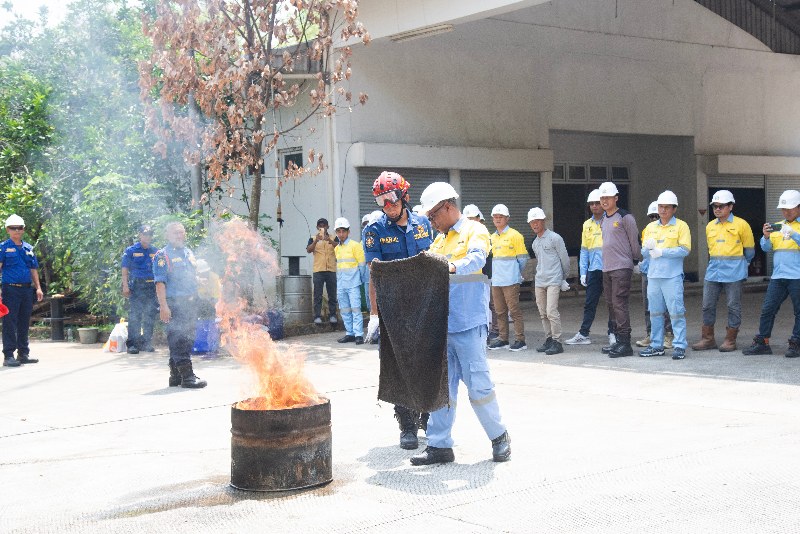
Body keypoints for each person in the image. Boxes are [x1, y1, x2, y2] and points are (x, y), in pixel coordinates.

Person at [410, 182, 510, 465]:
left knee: (478, 386)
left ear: (448, 207)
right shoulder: (439, 240)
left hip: (468, 323)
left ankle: (499, 436)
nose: (431, 222)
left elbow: (477, 257)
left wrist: (452, 266)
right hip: (443, 326)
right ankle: (440, 445)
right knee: (442, 388)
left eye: (433, 216)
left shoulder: (474, 230)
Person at [363, 171, 433, 450]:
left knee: (428, 362)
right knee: (398, 367)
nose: (387, 205)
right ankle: (406, 424)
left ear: (404, 196)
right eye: (381, 201)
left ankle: (427, 416)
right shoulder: (374, 230)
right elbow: (374, 275)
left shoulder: (423, 224)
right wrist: (374, 315)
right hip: (394, 309)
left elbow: (432, 263)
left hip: (425, 304)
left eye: (391, 198)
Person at [692, 190, 755, 352]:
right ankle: (708, 339)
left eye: (721, 206)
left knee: (733, 306)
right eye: (715, 206)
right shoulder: (710, 226)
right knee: (707, 305)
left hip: (734, 273)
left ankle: (730, 340)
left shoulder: (742, 225)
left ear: (731, 206)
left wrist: (741, 265)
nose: (717, 209)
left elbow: (749, 251)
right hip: (713, 271)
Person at [742, 190, 800, 358]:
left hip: (797, 277)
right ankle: (763, 342)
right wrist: (766, 237)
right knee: (768, 309)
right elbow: (766, 248)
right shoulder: (779, 226)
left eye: (790, 208)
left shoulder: (791, 228)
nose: (786, 212)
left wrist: (794, 234)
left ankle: (796, 343)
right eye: (783, 209)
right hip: (778, 277)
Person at [153, 222, 207, 388]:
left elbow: (187, 275)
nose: (179, 235)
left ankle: (175, 376)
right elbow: (160, 283)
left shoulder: (187, 252)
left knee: (186, 338)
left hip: (190, 302)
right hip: (174, 304)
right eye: (176, 233)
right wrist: (163, 306)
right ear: (167, 235)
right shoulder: (162, 255)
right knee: (179, 339)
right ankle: (188, 377)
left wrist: (198, 281)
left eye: (182, 232)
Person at [639, 190, 691, 360]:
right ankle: (656, 344)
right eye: (661, 207)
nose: (662, 210)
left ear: (674, 209)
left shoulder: (681, 226)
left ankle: (679, 345)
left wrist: (662, 252)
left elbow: (684, 250)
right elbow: (644, 251)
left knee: (676, 311)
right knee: (654, 312)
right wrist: (649, 250)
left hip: (672, 276)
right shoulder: (650, 227)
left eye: (666, 207)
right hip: (653, 276)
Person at [565, 189, 615, 346]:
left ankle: (613, 332)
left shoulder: (612, 221)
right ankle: (583, 333)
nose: (594, 206)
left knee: (612, 303)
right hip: (594, 270)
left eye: (597, 203)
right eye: (591, 204)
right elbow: (584, 250)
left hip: (610, 269)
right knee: (590, 303)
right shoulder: (587, 225)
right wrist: (583, 272)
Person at [598, 181, 642, 357]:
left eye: (607, 197)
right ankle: (617, 340)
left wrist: (636, 261)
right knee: (610, 304)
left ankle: (625, 343)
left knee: (619, 303)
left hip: (622, 267)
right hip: (607, 267)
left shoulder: (625, 217)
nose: (604, 201)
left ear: (616, 198)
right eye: (602, 197)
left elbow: (634, 242)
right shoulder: (604, 219)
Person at [0, 214, 43, 367]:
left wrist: (38, 287)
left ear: (23, 229)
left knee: (24, 321)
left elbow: (33, 269)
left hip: (26, 290)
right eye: (13, 228)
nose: (17, 230)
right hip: (10, 289)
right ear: (8, 230)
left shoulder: (28, 248)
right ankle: (9, 355)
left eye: (19, 228)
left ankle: (23, 353)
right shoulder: (3, 248)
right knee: (10, 322)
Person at [528, 207, 570, 355]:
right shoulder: (535, 243)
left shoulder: (555, 238)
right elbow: (540, 262)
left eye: (537, 221)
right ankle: (549, 339)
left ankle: (557, 342)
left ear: (543, 220)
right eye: (532, 222)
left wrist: (563, 278)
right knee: (543, 312)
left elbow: (564, 260)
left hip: (553, 280)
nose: (535, 224)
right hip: (540, 281)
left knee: (551, 311)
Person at [488, 204, 529, 351]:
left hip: (510, 280)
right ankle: (503, 338)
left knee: (514, 311)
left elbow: (523, 259)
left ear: (507, 218)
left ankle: (520, 340)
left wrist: (516, 274)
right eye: (495, 217)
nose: (498, 219)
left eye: (501, 217)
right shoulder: (492, 237)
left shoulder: (515, 235)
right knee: (499, 311)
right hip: (497, 280)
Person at [636, 201, 674, 349]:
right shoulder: (647, 230)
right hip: (647, 271)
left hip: (663, 272)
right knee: (648, 306)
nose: (653, 219)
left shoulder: (669, 229)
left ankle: (668, 335)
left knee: (664, 306)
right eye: (651, 216)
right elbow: (644, 251)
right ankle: (651, 333)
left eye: (656, 216)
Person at [464, 204, 500, 342]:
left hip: (487, 276)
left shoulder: (483, 233)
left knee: (491, 304)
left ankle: (495, 330)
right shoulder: (466, 234)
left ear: (479, 219)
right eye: (468, 219)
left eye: (473, 218)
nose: (471, 221)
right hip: (473, 277)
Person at [121, 225, 159, 354]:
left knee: (150, 315)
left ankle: (146, 342)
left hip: (151, 287)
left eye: (149, 234)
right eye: (145, 234)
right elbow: (125, 269)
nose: (147, 237)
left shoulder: (156, 251)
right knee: (135, 316)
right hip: (137, 287)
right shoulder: (131, 250)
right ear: (140, 235)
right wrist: (125, 285)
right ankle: (133, 344)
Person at [333, 217, 366, 344]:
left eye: (343, 231)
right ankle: (349, 333)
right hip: (341, 284)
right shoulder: (337, 249)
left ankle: (358, 334)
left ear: (348, 232)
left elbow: (362, 265)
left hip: (353, 284)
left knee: (356, 309)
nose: (341, 234)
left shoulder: (355, 246)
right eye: (339, 231)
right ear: (336, 232)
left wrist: (360, 280)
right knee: (345, 310)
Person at [306, 218, 338, 325]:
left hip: (331, 269)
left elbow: (338, 247)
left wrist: (329, 240)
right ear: (317, 227)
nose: (322, 228)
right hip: (318, 270)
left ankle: (333, 315)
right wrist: (316, 241)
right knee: (317, 294)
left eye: (324, 226)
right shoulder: (312, 238)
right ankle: (317, 316)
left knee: (332, 294)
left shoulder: (333, 237)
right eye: (320, 226)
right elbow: (309, 250)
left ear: (328, 227)